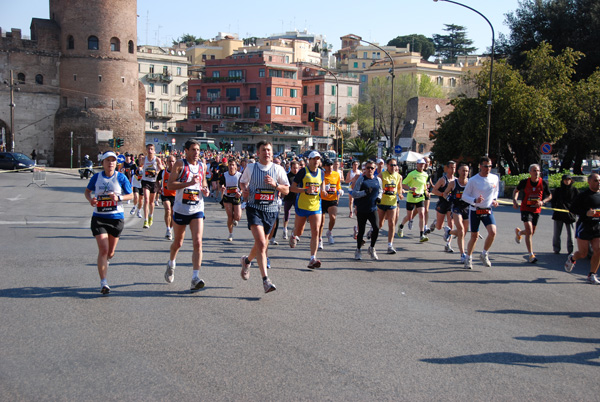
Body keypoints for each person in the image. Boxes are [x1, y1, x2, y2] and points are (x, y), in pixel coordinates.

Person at [239, 140, 289, 292]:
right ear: (258, 153)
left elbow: (286, 190)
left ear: (272, 153)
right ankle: (266, 280)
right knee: (261, 242)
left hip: (271, 210)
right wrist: (245, 191)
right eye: (263, 150)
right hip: (254, 208)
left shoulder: (278, 169)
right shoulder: (251, 167)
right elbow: (242, 183)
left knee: (262, 243)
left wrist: (275, 185)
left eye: (269, 150)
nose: (266, 153)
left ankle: (247, 261)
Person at [84, 151, 133, 294]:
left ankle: (106, 261)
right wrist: (91, 200)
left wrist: (118, 198)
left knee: (110, 252)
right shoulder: (96, 177)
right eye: (108, 160)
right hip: (99, 217)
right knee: (104, 249)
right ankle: (103, 282)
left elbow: (130, 195)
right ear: (103, 163)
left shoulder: (121, 177)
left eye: (113, 160)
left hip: (116, 218)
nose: (111, 163)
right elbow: (87, 192)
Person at [164, 140, 210, 292]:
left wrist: (205, 190)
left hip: (197, 208)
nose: (197, 152)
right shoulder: (179, 164)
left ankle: (195, 278)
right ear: (186, 150)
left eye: (198, 150)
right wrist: (188, 183)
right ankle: (171, 263)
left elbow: (203, 182)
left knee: (198, 242)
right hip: (181, 209)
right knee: (178, 243)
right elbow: (170, 185)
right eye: (193, 150)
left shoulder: (202, 165)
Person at [462, 156, 499, 269]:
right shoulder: (473, 180)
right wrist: (474, 200)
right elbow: (464, 196)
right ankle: (468, 258)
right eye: (485, 166)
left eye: (490, 166)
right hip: (475, 210)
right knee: (474, 236)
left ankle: (484, 254)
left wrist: (494, 200)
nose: (487, 168)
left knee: (492, 232)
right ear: (480, 166)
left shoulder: (494, 178)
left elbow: (495, 191)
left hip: (487, 209)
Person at [289, 151, 325, 268]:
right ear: (309, 160)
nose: (316, 161)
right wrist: (305, 190)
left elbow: (322, 185)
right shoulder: (303, 172)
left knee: (315, 231)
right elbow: (292, 188)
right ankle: (294, 234)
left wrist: (323, 191)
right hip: (302, 205)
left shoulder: (321, 173)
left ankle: (312, 258)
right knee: (300, 232)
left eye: (318, 159)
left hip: (315, 206)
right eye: (314, 159)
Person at [564, 173, 600, 284]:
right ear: (589, 182)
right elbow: (572, 209)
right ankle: (572, 259)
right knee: (583, 254)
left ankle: (592, 275)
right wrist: (586, 213)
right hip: (584, 226)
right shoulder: (583, 196)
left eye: (599, 180)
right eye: (596, 180)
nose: (599, 182)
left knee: (598, 250)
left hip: (597, 226)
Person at [513, 164, 552, 263]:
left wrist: (543, 202)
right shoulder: (524, 182)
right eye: (534, 171)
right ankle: (531, 255)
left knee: (531, 232)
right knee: (529, 231)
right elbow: (516, 190)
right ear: (530, 172)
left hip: (536, 210)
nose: (536, 172)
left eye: (538, 171)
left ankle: (519, 233)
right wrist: (514, 200)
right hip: (526, 208)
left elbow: (550, 195)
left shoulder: (543, 183)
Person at [352, 160, 383, 260]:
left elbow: (381, 190)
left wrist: (379, 197)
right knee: (361, 231)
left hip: (372, 208)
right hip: (362, 209)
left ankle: (372, 248)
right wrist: (364, 192)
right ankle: (358, 250)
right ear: (365, 169)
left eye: (372, 168)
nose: (370, 170)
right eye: (368, 168)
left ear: (375, 169)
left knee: (376, 228)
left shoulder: (378, 180)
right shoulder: (361, 180)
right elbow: (354, 193)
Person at [443, 163, 470, 263]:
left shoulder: (470, 183)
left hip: (467, 208)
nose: (465, 173)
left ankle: (449, 232)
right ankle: (462, 254)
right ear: (458, 171)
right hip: (456, 208)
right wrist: (448, 197)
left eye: (467, 171)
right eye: (463, 170)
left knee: (463, 233)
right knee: (461, 230)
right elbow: (445, 193)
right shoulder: (453, 183)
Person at [398, 158, 429, 242]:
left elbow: (424, 185)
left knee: (422, 214)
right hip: (411, 197)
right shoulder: (412, 174)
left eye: (423, 164)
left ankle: (421, 235)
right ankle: (401, 226)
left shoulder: (425, 174)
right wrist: (410, 188)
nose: (422, 165)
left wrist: (426, 192)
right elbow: (403, 184)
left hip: (420, 197)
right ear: (417, 165)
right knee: (409, 217)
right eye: (420, 164)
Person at [378, 158, 403, 254]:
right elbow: (377, 186)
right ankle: (373, 230)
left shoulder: (398, 176)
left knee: (392, 223)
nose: (393, 167)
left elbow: (399, 188)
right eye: (391, 165)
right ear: (387, 166)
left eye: (395, 165)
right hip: (382, 202)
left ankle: (390, 245)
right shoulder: (382, 175)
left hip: (392, 203)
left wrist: (400, 194)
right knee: (379, 224)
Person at [431, 161, 457, 252]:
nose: (453, 170)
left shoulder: (456, 180)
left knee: (451, 224)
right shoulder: (443, 179)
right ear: (447, 168)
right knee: (439, 226)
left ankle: (448, 245)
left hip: (451, 205)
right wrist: (443, 194)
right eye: (451, 167)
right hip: (442, 204)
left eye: (454, 167)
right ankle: (435, 223)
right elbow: (434, 190)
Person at [551, 174, 578, 254]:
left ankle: (570, 250)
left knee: (571, 234)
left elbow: (578, 202)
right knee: (557, 233)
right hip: (559, 214)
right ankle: (556, 248)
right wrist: (555, 208)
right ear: (562, 181)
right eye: (566, 179)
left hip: (570, 214)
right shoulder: (558, 190)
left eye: (569, 179)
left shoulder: (575, 190)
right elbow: (553, 201)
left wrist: (574, 210)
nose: (567, 181)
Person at [319, 159, 343, 246]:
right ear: (324, 167)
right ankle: (320, 239)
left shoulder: (336, 174)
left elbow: (338, 185)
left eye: (331, 165)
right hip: (322, 199)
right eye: (328, 166)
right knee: (321, 222)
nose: (330, 167)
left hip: (332, 199)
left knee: (333, 218)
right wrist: (323, 189)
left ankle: (329, 232)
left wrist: (339, 190)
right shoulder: (321, 174)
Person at [141, 144, 165, 229]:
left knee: (151, 202)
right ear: (146, 150)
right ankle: (145, 219)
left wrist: (157, 171)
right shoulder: (144, 159)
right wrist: (140, 169)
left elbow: (162, 169)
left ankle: (151, 216)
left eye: (151, 149)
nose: (150, 150)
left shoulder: (157, 159)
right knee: (146, 200)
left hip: (154, 181)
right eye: (148, 149)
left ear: (154, 150)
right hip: (145, 181)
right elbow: (140, 167)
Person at [220, 158, 242, 241]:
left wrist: (241, 192)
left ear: (236, 166)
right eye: (230, 165)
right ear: (228, 166)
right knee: (230, 216)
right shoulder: (224, 175)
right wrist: (222, 188)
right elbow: (221, 184)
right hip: (227, 197)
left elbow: (243, 186)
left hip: (236, 196)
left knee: (237, 217)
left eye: (233, 165)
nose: (231, 166)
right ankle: (230, 234)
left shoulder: (239, 175)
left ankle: (236, 220)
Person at [157, 155, 176, 240]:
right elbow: (157, 180)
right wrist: (158, 187)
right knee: (167, 209)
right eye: (169, 161)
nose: (171, 163)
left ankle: (170, 229)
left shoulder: (177, 173)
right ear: (166, 162)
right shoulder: (163, 172)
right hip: (165, 194)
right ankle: (168, 228)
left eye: (173, 161)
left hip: (175, 195)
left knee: (172, 213)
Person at [282, 160, 300, 240]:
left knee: (298, 215)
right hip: (288, 197)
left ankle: (295, 232)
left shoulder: (300, 176)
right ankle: (285, 229)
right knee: (287, 214)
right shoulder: (287, 176)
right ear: (291, 168)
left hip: (297, 198)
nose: (295, 170)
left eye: (297, 168)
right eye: (294, 168)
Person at [130, 154, 144, 218]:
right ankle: (134, 207)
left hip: (143, 184)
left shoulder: (146, 166)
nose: (141, 159)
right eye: (140, 158)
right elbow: (130, 172)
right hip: (135, 184)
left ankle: (139, 211)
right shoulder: (134, 165)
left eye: (142, 158)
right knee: (136, 196)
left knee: (141, 199)